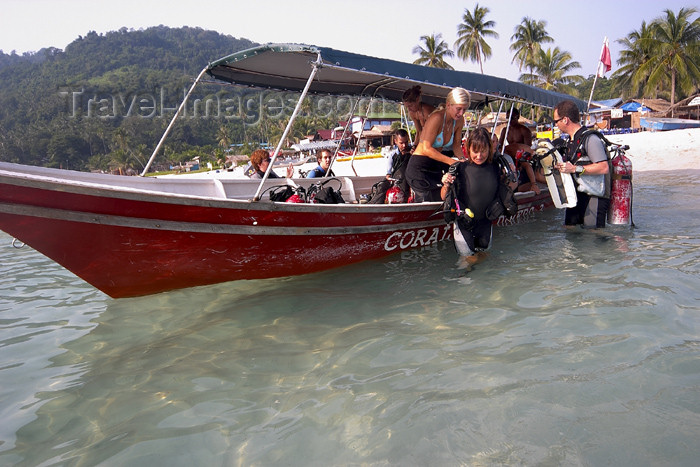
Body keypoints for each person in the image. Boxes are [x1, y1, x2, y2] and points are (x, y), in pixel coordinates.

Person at [441, 127, 510, 269]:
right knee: (467, 261)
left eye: (483, 150)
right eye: (475, 151)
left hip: (485, 225)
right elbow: (444, 196)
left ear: (489, 149)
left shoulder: (496, 168)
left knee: (484, 259)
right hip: (464, 224)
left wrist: (511, 174)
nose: (479, 155)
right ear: (468, 149)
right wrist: (446, 183)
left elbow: (507, 190)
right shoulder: (460, 168)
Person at [553, 100, 611, 228]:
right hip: (576, 195)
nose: (555, 124)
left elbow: (603, 167)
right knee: (569, 230)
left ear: (565, 120)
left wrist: (575, 168)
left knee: (593, 237)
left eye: (556, 121)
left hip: (595, 196)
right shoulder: (570, 141)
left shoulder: (591, 139)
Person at [405, 87, 469, 202]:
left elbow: (456, 146)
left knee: (442, 199)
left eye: (464, 110)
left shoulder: (459, 120)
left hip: (434, 166)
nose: (461, 113)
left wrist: (463, 160)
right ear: (448, 105)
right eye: (459, 109)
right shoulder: (437, 118)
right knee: (427, 202)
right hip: (418, 168)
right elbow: (426, 148)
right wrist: (452, 162)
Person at [498, 107, 540, 194]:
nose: (509, 120)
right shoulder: (505, 130)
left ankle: (533, 184)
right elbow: (500, 146)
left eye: (512, 118)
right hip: (510, 154)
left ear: (517, 117)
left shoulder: (524, 130)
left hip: (523, 155)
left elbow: (528, 147)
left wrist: (520, 161)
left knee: (526, 164)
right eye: (508, 118)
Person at [368, 129, 412, 203]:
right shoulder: (392, 155)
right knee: (381, 186)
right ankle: (373, 205)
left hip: (409, 178)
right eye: (401, 143)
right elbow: (388, 174)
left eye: (406, 142)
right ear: (396, 141)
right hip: (396, 179)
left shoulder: (413, 151)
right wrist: (390, 178)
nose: (404, 145)